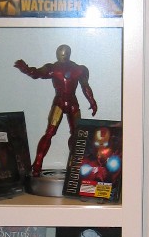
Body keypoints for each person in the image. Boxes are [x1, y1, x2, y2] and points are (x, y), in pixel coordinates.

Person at [14, 44, 97, 175]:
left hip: (64, 102)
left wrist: (26, 69)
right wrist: (92, 101)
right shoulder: (74, 69)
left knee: (71, 134)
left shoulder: (61, 68)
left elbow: (36, 73)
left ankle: (43, 164)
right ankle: (39, 163)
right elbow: (85, 87)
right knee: (59, 133)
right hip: (66, 102)